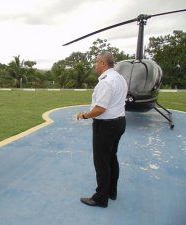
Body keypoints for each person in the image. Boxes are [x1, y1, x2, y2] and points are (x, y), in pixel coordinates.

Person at [77, 51, 127, 208]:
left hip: (105, 126)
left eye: (96, 62)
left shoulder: (106, 81)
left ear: (103, 64)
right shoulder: (120, 78)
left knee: (101, 162)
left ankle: (100, 198)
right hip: (119, 122)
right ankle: (112, 191)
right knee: (112, 158)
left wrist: (84, 115)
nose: (94, 65)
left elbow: (100, 109)